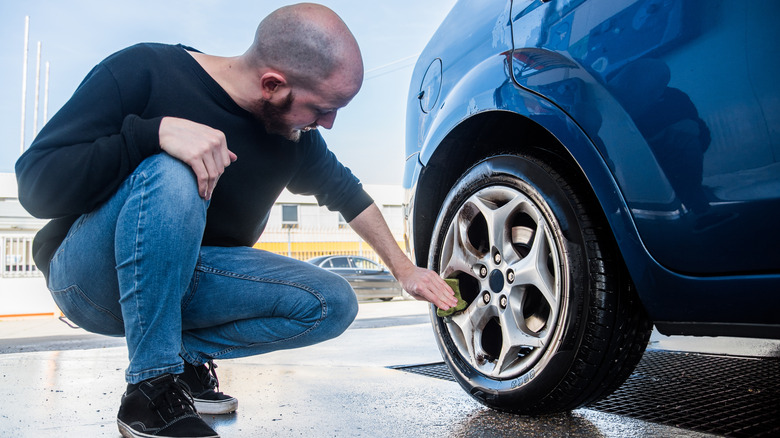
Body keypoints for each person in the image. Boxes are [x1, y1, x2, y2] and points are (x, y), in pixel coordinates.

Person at [15, 4, 457, 438]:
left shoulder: (295, 137)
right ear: (272, 83)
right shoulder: (144, 69)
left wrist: (405, 270)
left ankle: (180, 358)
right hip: (92, 280)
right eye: (322, 108)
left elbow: (349, 196)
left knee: (334, 303)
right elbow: (36, 186)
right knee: (175, 169)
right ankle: (151, 389)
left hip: (187, 284)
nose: (329, 123)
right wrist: (153, 135)